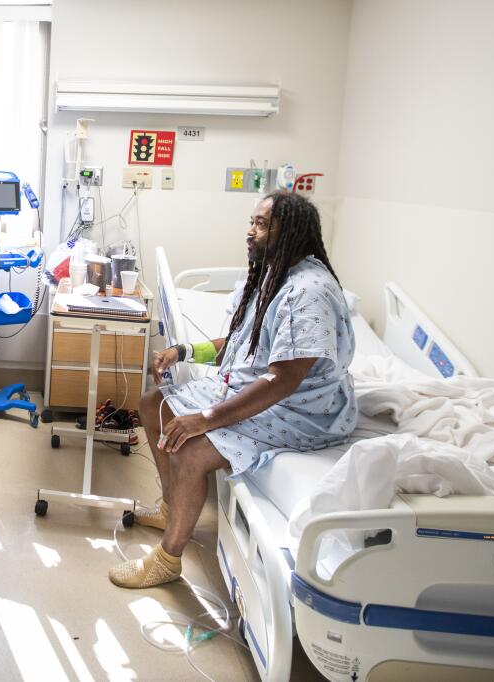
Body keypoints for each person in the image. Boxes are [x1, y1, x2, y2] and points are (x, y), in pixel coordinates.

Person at [109, 191, 357, 589]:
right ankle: (171, 507)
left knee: (191, 448)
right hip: (262, 389)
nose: (250, 231)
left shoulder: (307, 292)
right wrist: (184, 350)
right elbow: (244, 340)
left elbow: (284, 379)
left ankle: (168, 560)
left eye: (262, 224)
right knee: (152, 403)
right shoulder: (274, 274)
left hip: (301, 410)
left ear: (293, 231)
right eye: (251, 222)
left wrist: (205, 419)